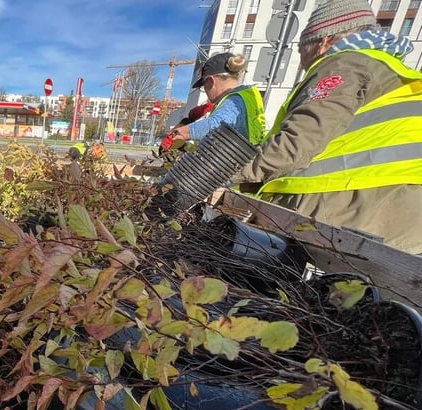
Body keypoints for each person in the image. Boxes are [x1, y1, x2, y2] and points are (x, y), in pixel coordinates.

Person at [234, 0, 422, 254]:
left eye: (302, 48)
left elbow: (296, 144)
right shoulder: (386, 71)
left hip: (349, 215)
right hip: (390, 218)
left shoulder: (345, 64)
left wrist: (224, 173)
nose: (301, 60)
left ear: (324, 41)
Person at [169, 53, 266, 147]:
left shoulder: (234, 100)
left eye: (204, 87)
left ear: (211, 81)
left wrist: (183, 132)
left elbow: (218, 125)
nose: (206, 92)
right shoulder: (247, 96)